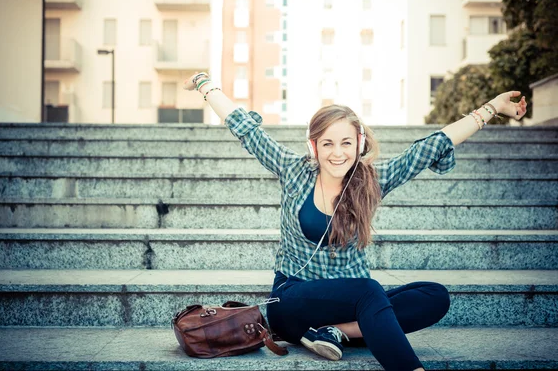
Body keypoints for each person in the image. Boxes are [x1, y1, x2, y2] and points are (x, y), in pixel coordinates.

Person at [184, 72, 527, 371]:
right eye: (327, 143)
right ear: (314, 145)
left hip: (351, 301)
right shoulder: (293, 171)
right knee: (369, 291)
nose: (337, 152)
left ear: (359, 143)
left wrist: (492, 108)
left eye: (346, 142)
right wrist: (204, 84)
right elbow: (245, 130)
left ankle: (336, 332)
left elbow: (430, 147)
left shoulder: (372, 181)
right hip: (292, 301)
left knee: (434, 296)